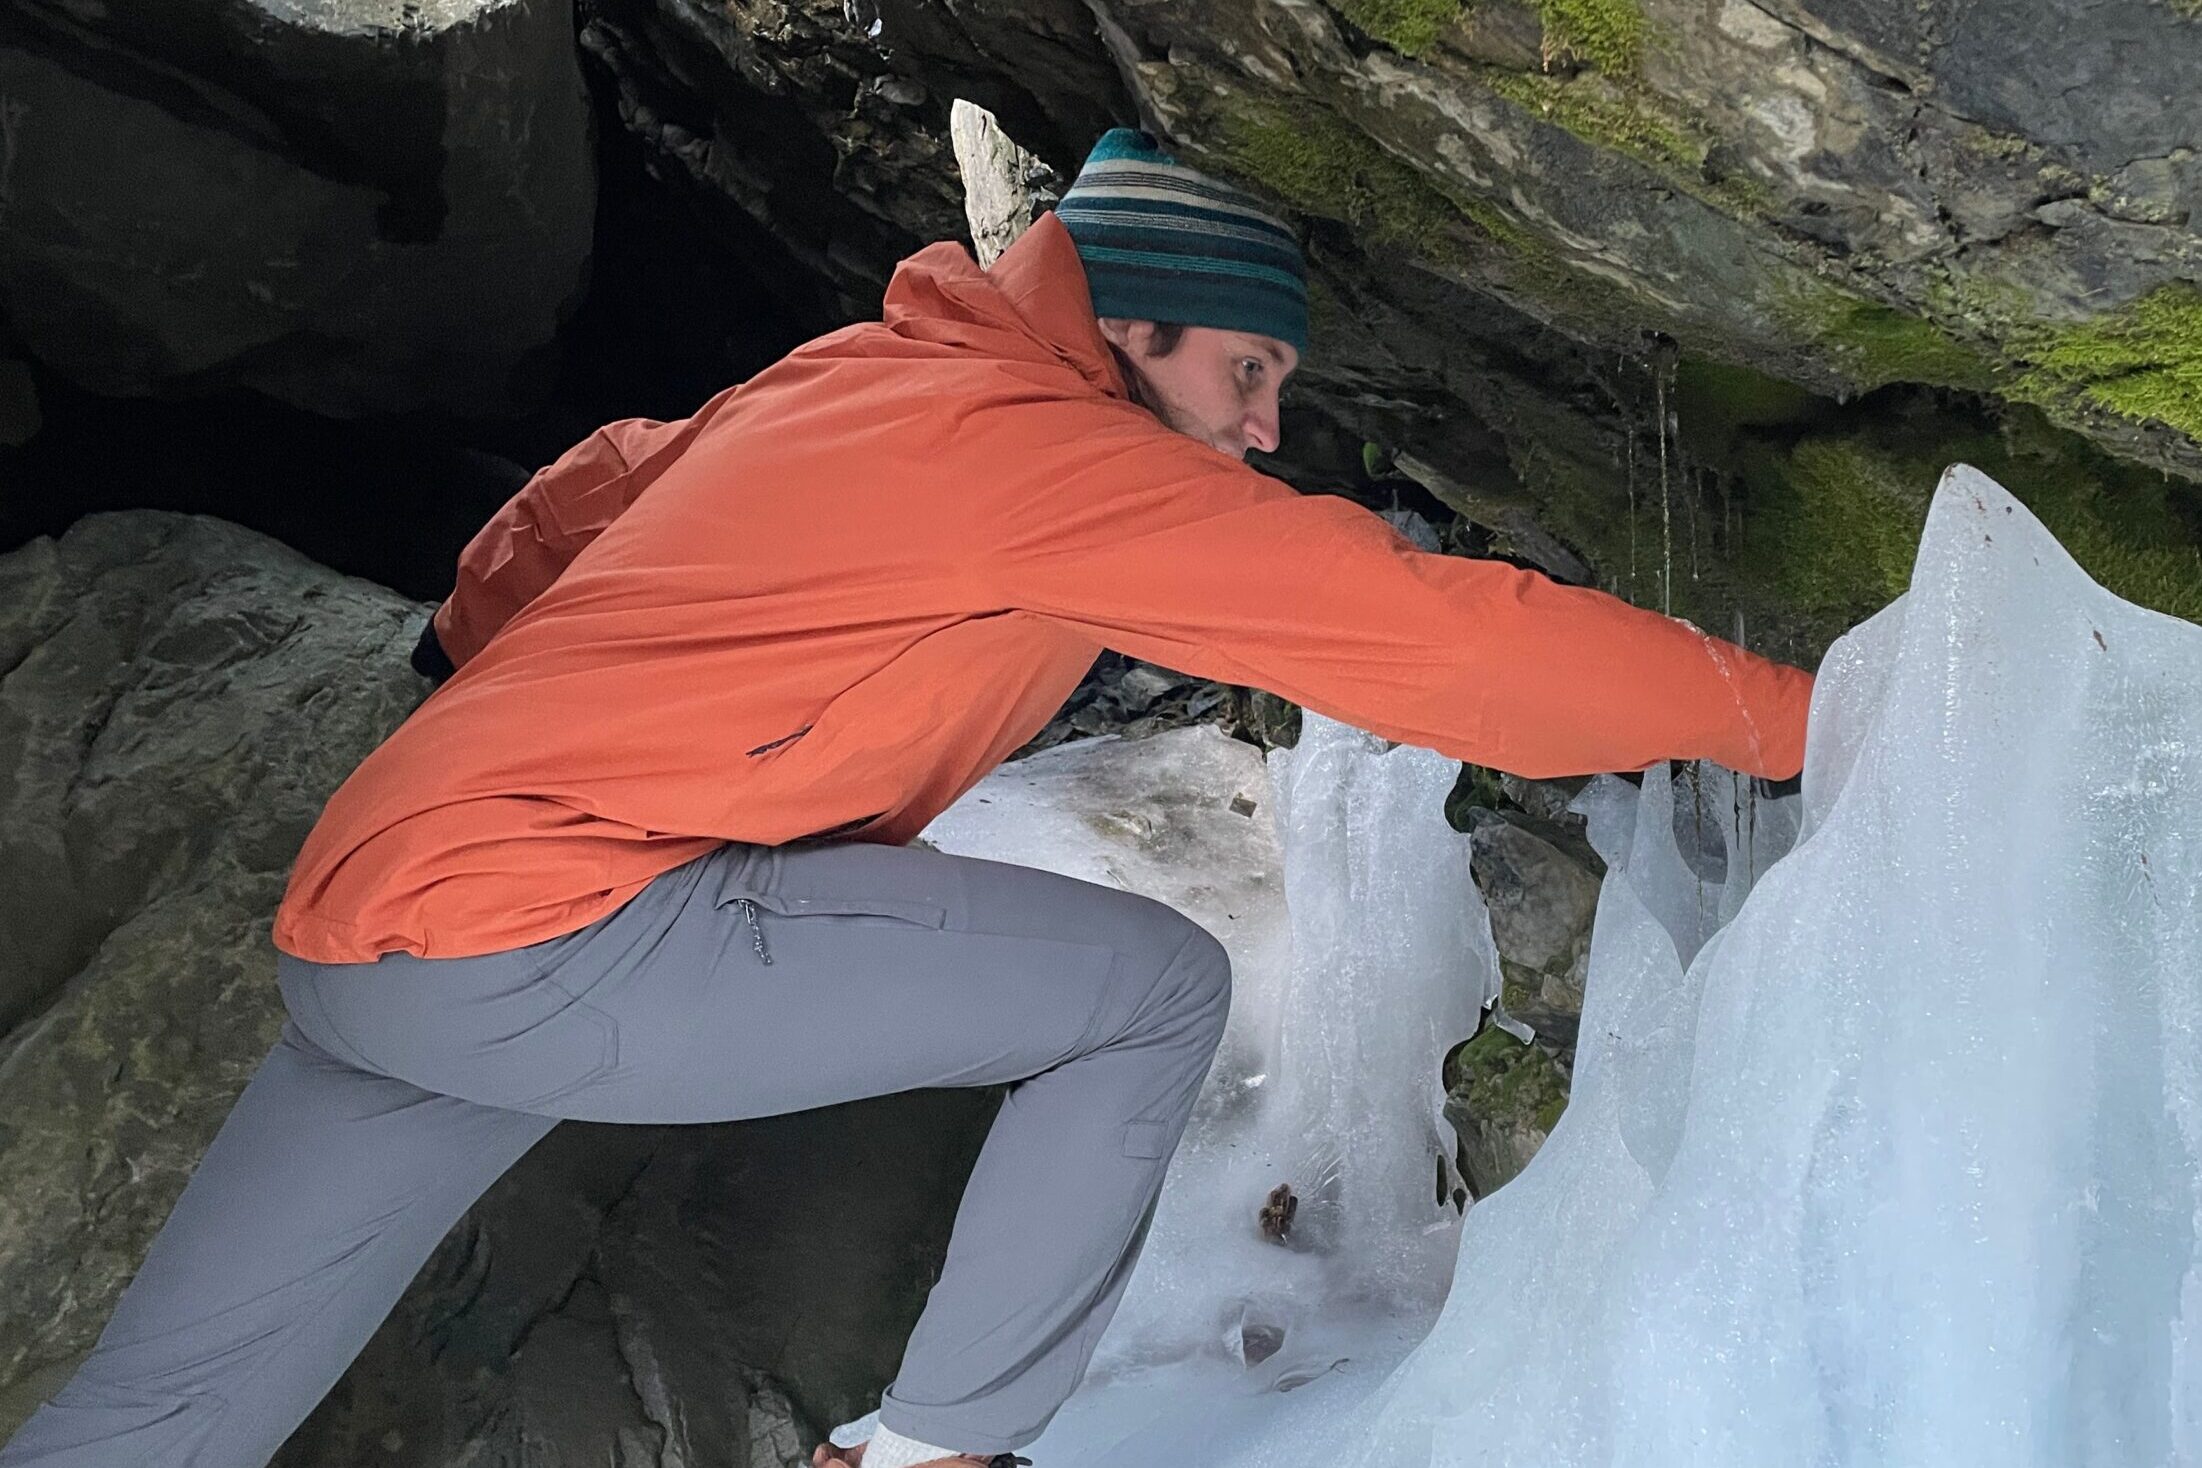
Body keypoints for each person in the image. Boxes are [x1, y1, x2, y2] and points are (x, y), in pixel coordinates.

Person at [0, 128, 1811, 1468]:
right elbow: (1424, 633)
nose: (1266, 426)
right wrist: (1789, 719)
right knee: (1144, 993)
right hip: (558, 930)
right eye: (1249, 372)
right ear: (1139, 328)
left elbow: (599, 491)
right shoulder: (1045, 456)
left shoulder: (865, 376)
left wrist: (480, 656)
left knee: (160, 1410)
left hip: (372, 934)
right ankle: (938, 1448)